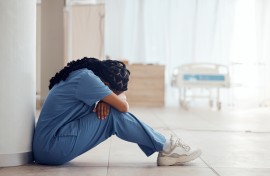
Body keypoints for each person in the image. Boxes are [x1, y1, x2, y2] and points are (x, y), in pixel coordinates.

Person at [32, 57, 201, 166]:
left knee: (111, 112)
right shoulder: (87, 79)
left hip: (49, 146)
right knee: (113, 116)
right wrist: (110, 101)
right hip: (51, 148)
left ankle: (165, 147)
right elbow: (123, 107)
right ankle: (167, 147)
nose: (113, 95)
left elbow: (121, 99)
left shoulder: (84, 74)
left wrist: (106, 100)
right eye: (111, 92)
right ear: (105, 85)